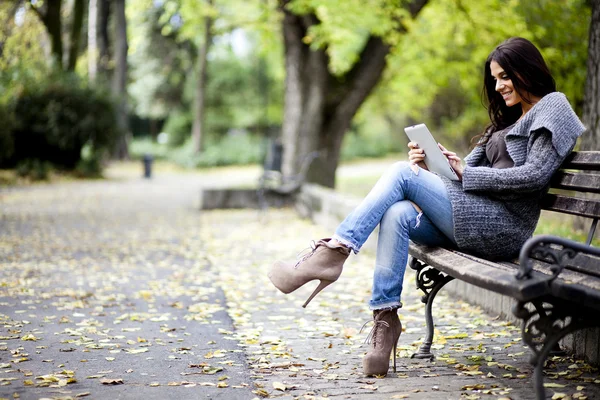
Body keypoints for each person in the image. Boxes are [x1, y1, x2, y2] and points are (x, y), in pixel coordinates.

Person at [268, 37, 586, 377]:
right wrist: (439, 163)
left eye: (505, 76)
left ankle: (333, 252)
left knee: (400, 174)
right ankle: (385, 319)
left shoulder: (553, 107)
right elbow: (465, 174)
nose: (498, 86)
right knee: (397, 211)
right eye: (495, 79)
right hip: (475, 217)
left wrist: (463, 172)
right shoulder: (507, 119)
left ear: (527, 70)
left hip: (504, 229)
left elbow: (534, 176)